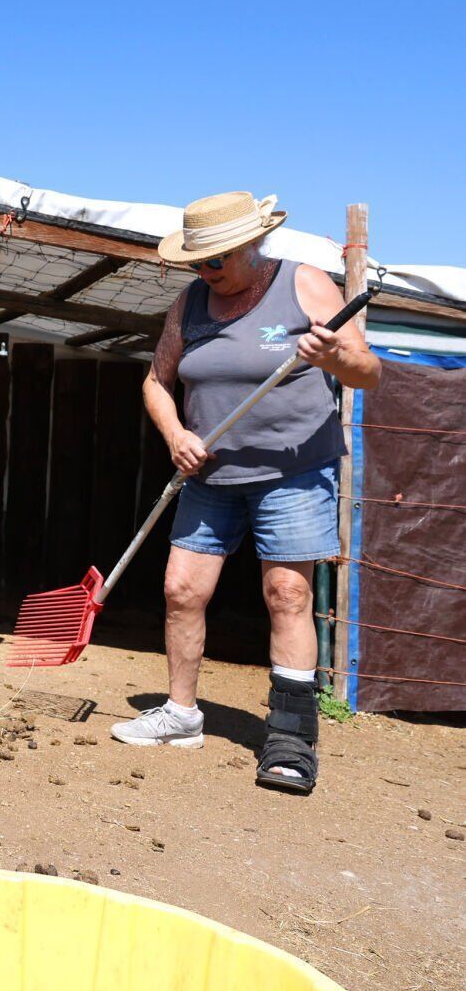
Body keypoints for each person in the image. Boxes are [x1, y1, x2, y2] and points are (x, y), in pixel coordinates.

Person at [109, 191, 380, 794]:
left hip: (293, 471)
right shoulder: (191, 302)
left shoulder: (303, 284)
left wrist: (334, 353)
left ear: (251, 247)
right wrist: (176, 431)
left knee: (286, 591)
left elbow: (369, 370)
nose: (203, 273)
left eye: (214, 261)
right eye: (196, 263)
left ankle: (290, 739)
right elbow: (158, 381)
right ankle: (181, 716)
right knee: (182, 589)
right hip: (209, 474)